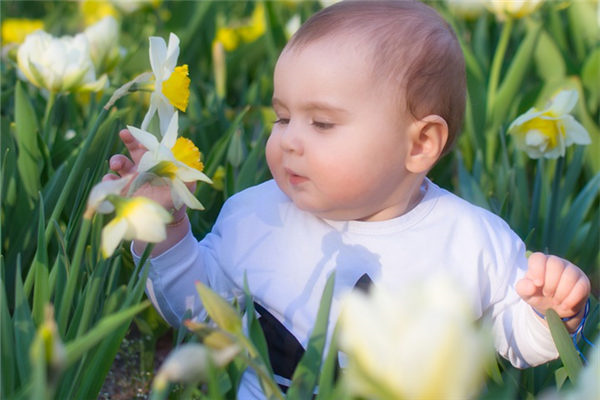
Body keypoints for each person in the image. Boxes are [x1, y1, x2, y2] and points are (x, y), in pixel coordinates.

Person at [105, 1, 591, 397]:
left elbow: (515, 343)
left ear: (419, 144)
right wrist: (165, 231)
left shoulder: (469, 239)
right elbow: (198, 309)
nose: (289, 140)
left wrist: (548, 314)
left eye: (321, 123)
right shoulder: (257, 218)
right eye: (282, 118)